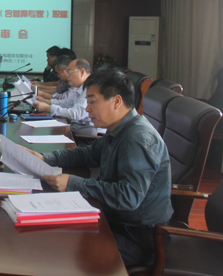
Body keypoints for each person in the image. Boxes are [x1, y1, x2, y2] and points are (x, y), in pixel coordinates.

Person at [24, 70, 173, 268]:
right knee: (52, 234)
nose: (87, 109)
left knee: (61, 251)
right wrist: (45, 158)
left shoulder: (137, 139)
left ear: (116, 101)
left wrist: (73, 183)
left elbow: (128, 197)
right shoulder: (120, 128)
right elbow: (89, 154)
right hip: (115, 220)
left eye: (92, 102)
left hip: (136, 236)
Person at [33, 58, 92, 123]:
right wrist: (47, 102)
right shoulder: (81, 88)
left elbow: (75, 114)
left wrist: (48, 108)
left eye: (69, 72)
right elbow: (68, 103)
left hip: (85, 128)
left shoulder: (90, 89)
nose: (67, 76)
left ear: (82, 72)